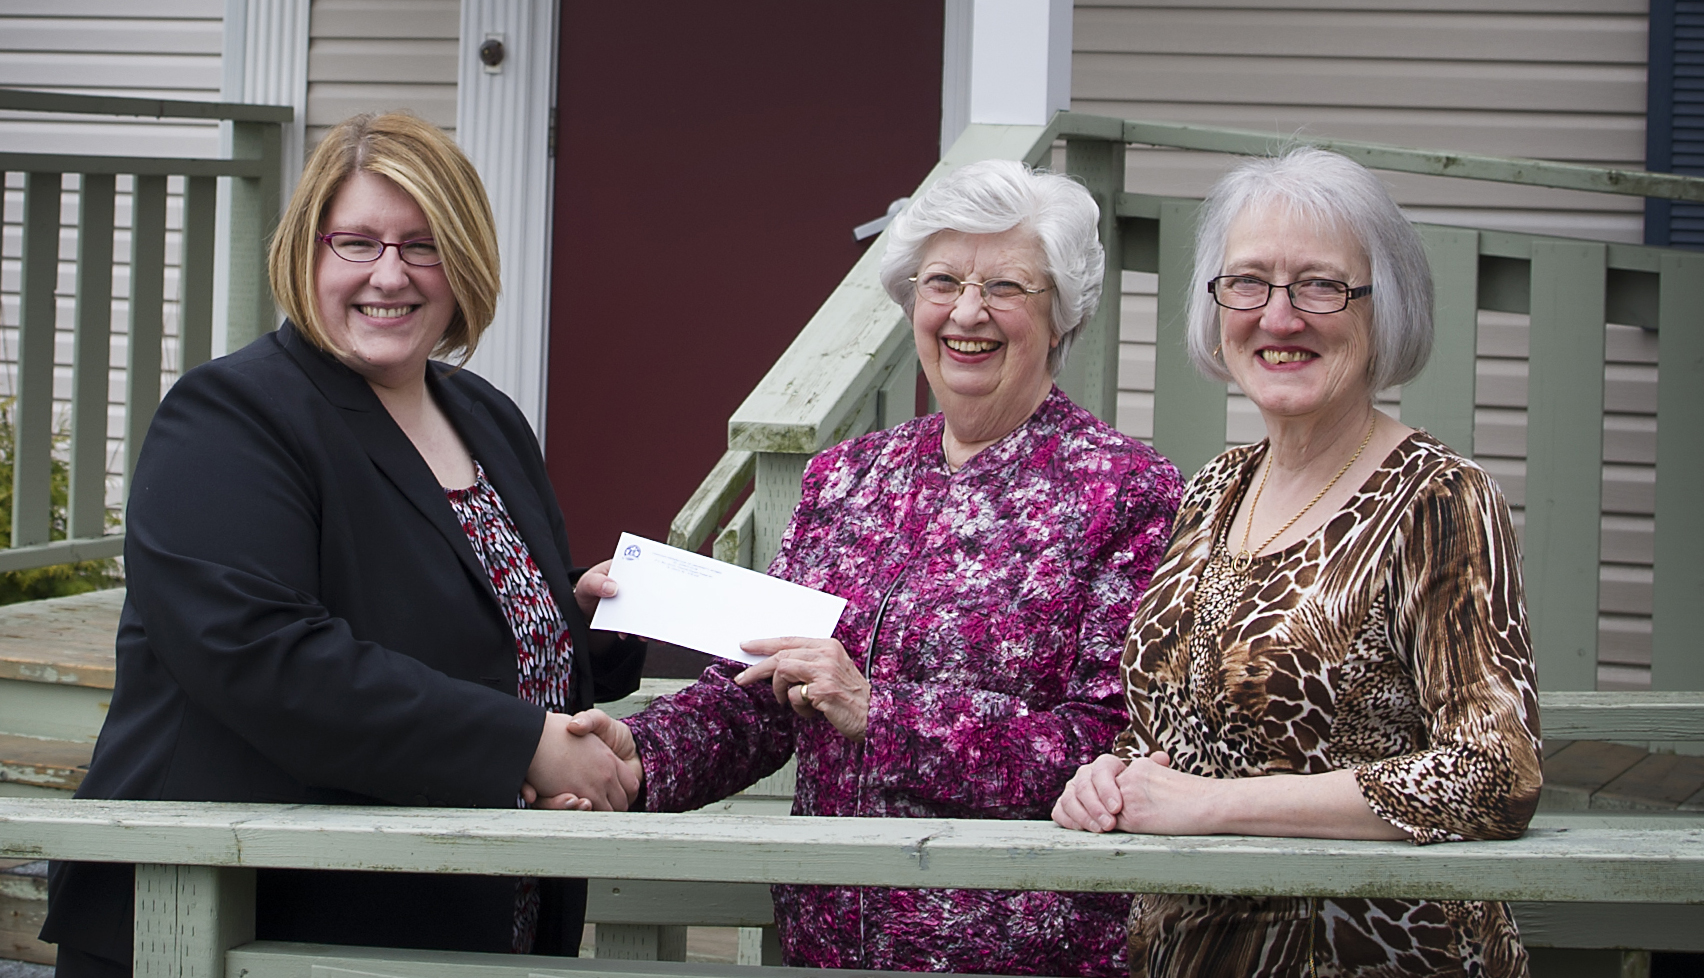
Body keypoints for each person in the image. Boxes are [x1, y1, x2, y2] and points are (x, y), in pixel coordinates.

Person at [42, 112, 645, 975]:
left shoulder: (487, 419)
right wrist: (520, 745)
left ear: (463, 259)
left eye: (422, 244)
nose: (389, 275)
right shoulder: (233, 415)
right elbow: (264, 656)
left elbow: (451, 628)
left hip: (470, 911)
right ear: (308, 253)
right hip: (243, 921)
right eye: (357, 243)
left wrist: (579, 623)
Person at [555, 159, 1182, 976]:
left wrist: (880, 713)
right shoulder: (847, 476)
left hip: (1024, 956)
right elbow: (757, 699)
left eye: (1005, 288)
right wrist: (633, 759)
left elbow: (1106, 745)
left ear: (1060, 314)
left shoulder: (1127, 490)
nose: (967, 312)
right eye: (943, 280)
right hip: (824, 950)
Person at [1051, 147, 1543, 978]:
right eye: (1248, 283)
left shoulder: (1439, 499)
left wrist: (1214, 809)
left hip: (1374, 951)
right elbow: (1176, 728)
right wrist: (1109, 776)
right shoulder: (1214, 489)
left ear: (1384, 307)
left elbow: (1495, 771)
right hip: (1191, 951)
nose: (1279, 318)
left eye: (1320, 285)